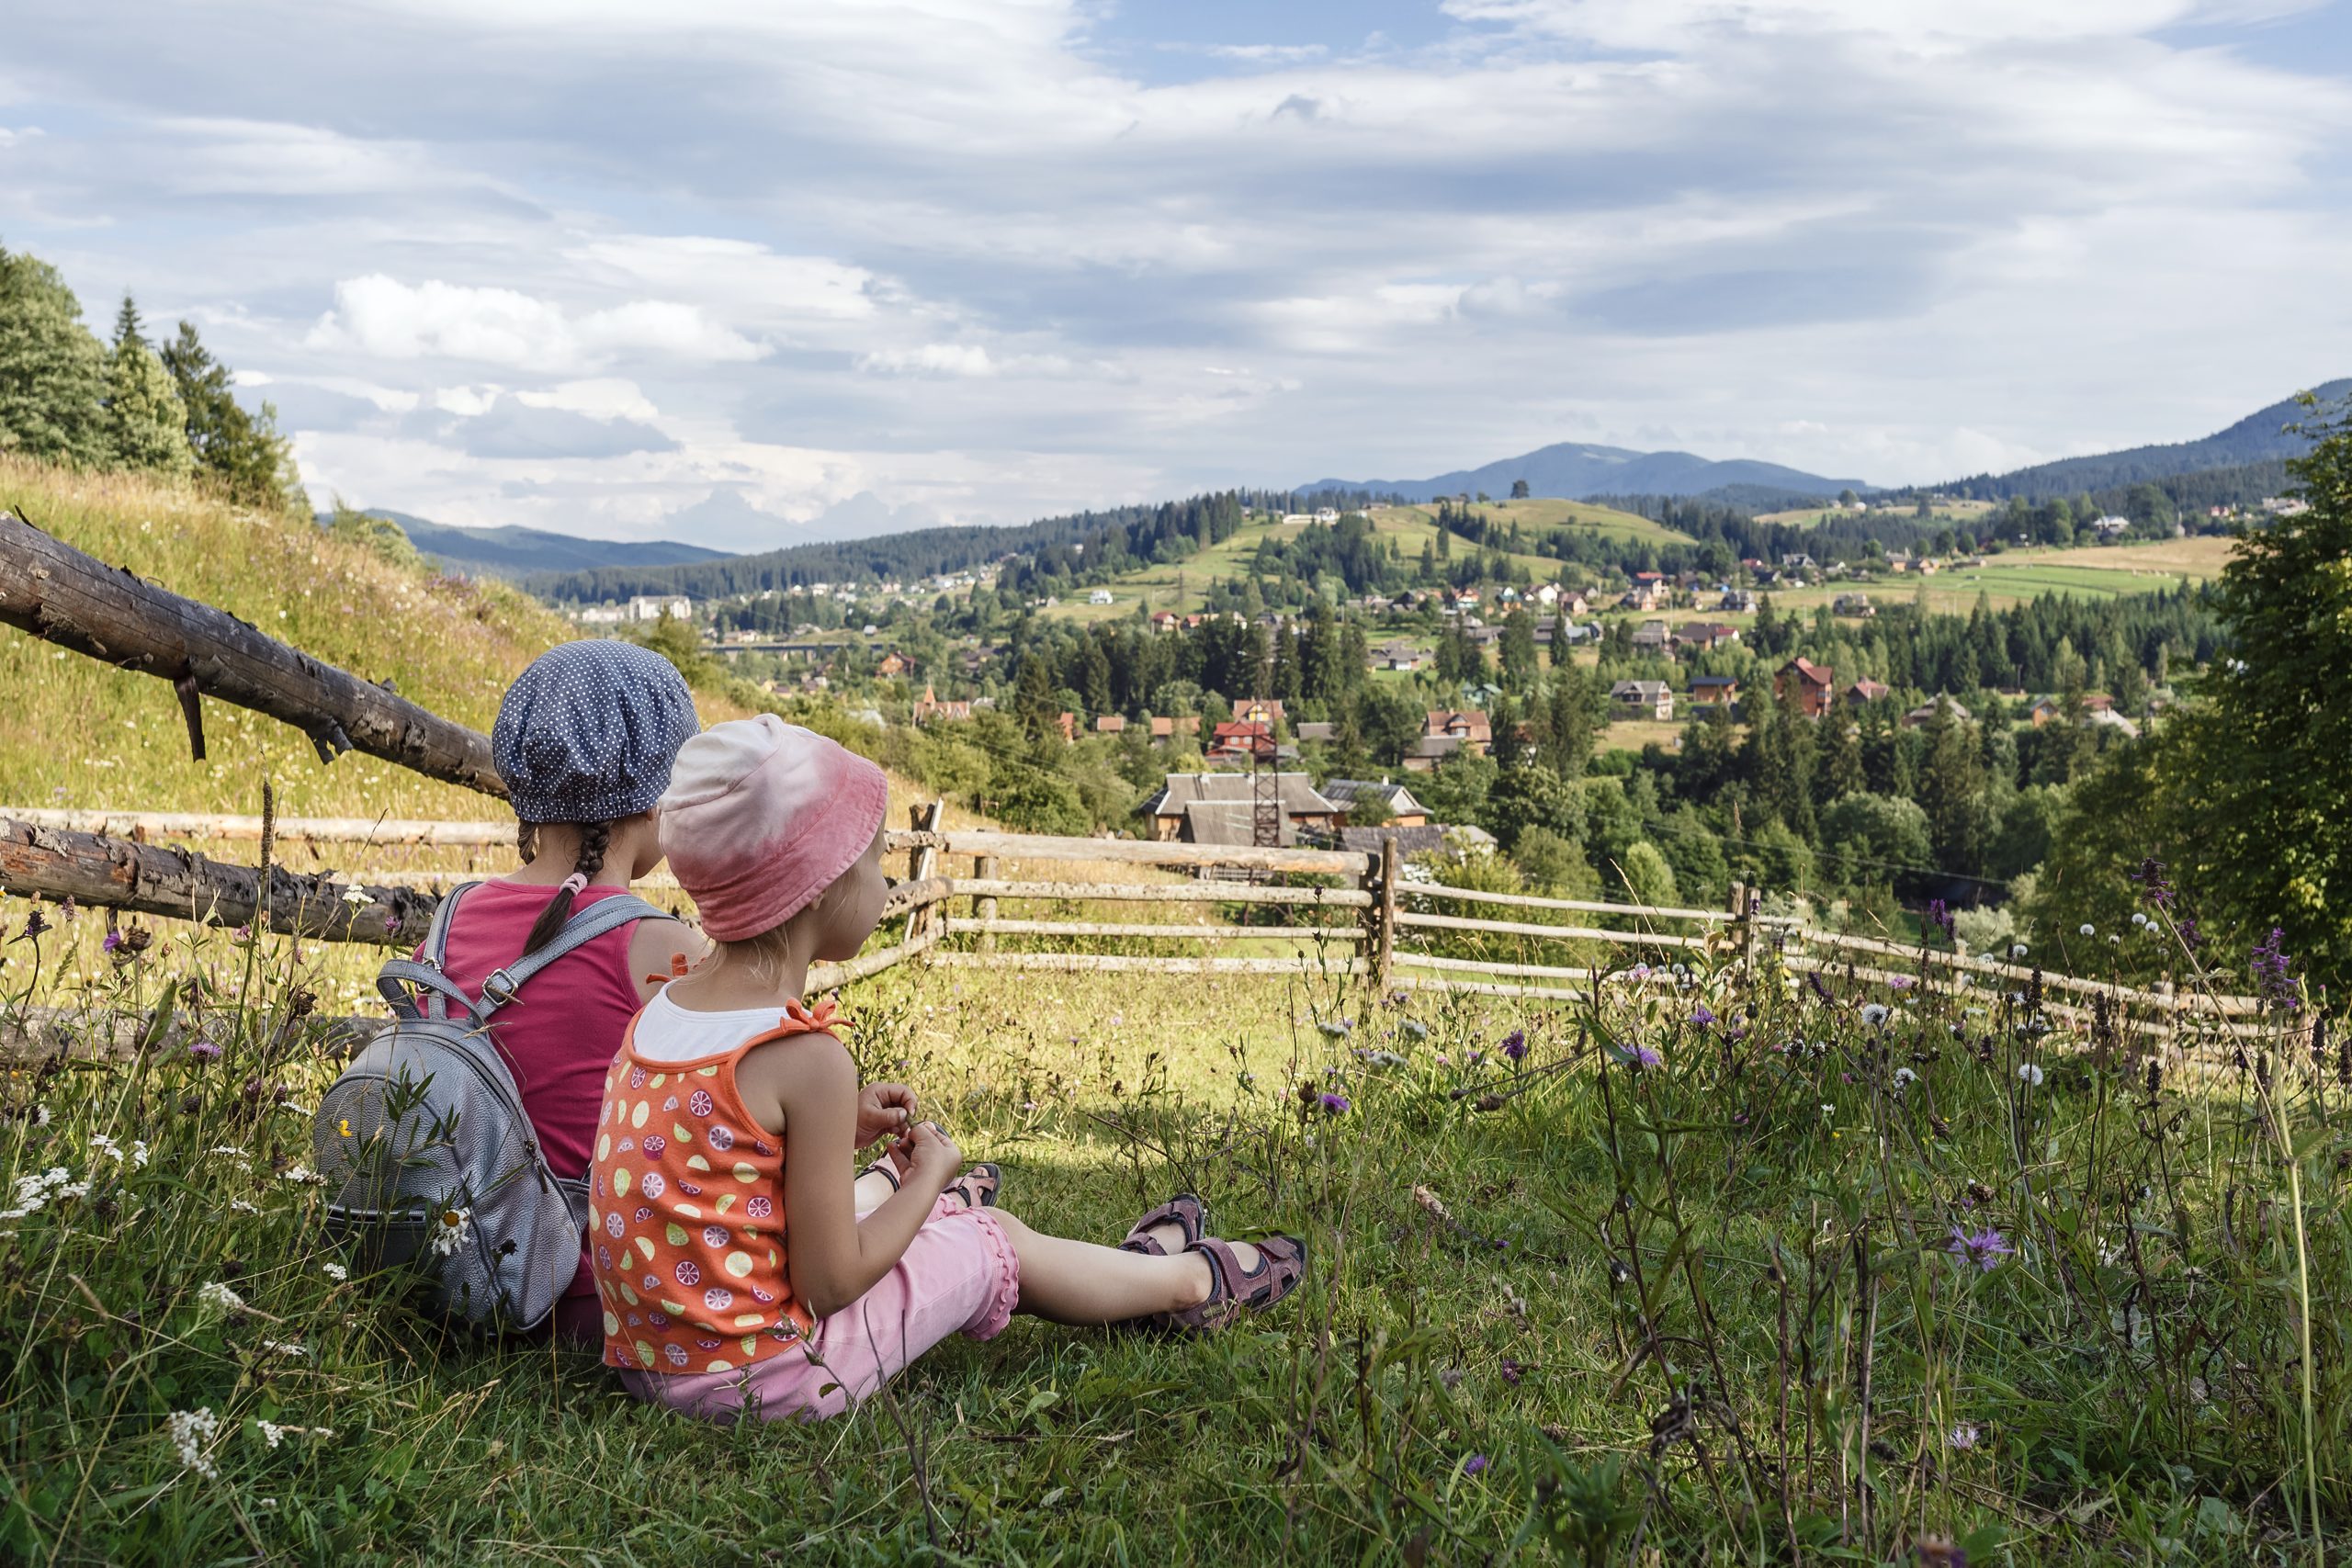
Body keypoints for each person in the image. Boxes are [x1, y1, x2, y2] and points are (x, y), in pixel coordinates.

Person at [592, 716, 1307, 1421]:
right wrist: (930, 1173)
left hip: (656, 1366)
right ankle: (1189, 1281)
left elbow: (713, 1163)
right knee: (988, 1238)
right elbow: (829, 1281)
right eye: (871, 863)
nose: (881, 882)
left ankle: (1128, 1271)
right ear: (815, 886)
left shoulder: (661, 1010)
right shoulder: (808, 1060)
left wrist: (839, 1127)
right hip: (768, 1377)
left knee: (930, 1221)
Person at [424, 639, 707, 1344]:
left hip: (461, 1267)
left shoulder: (451, 915)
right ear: (653, 795)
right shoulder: (661, 945)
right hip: (592, 1294)